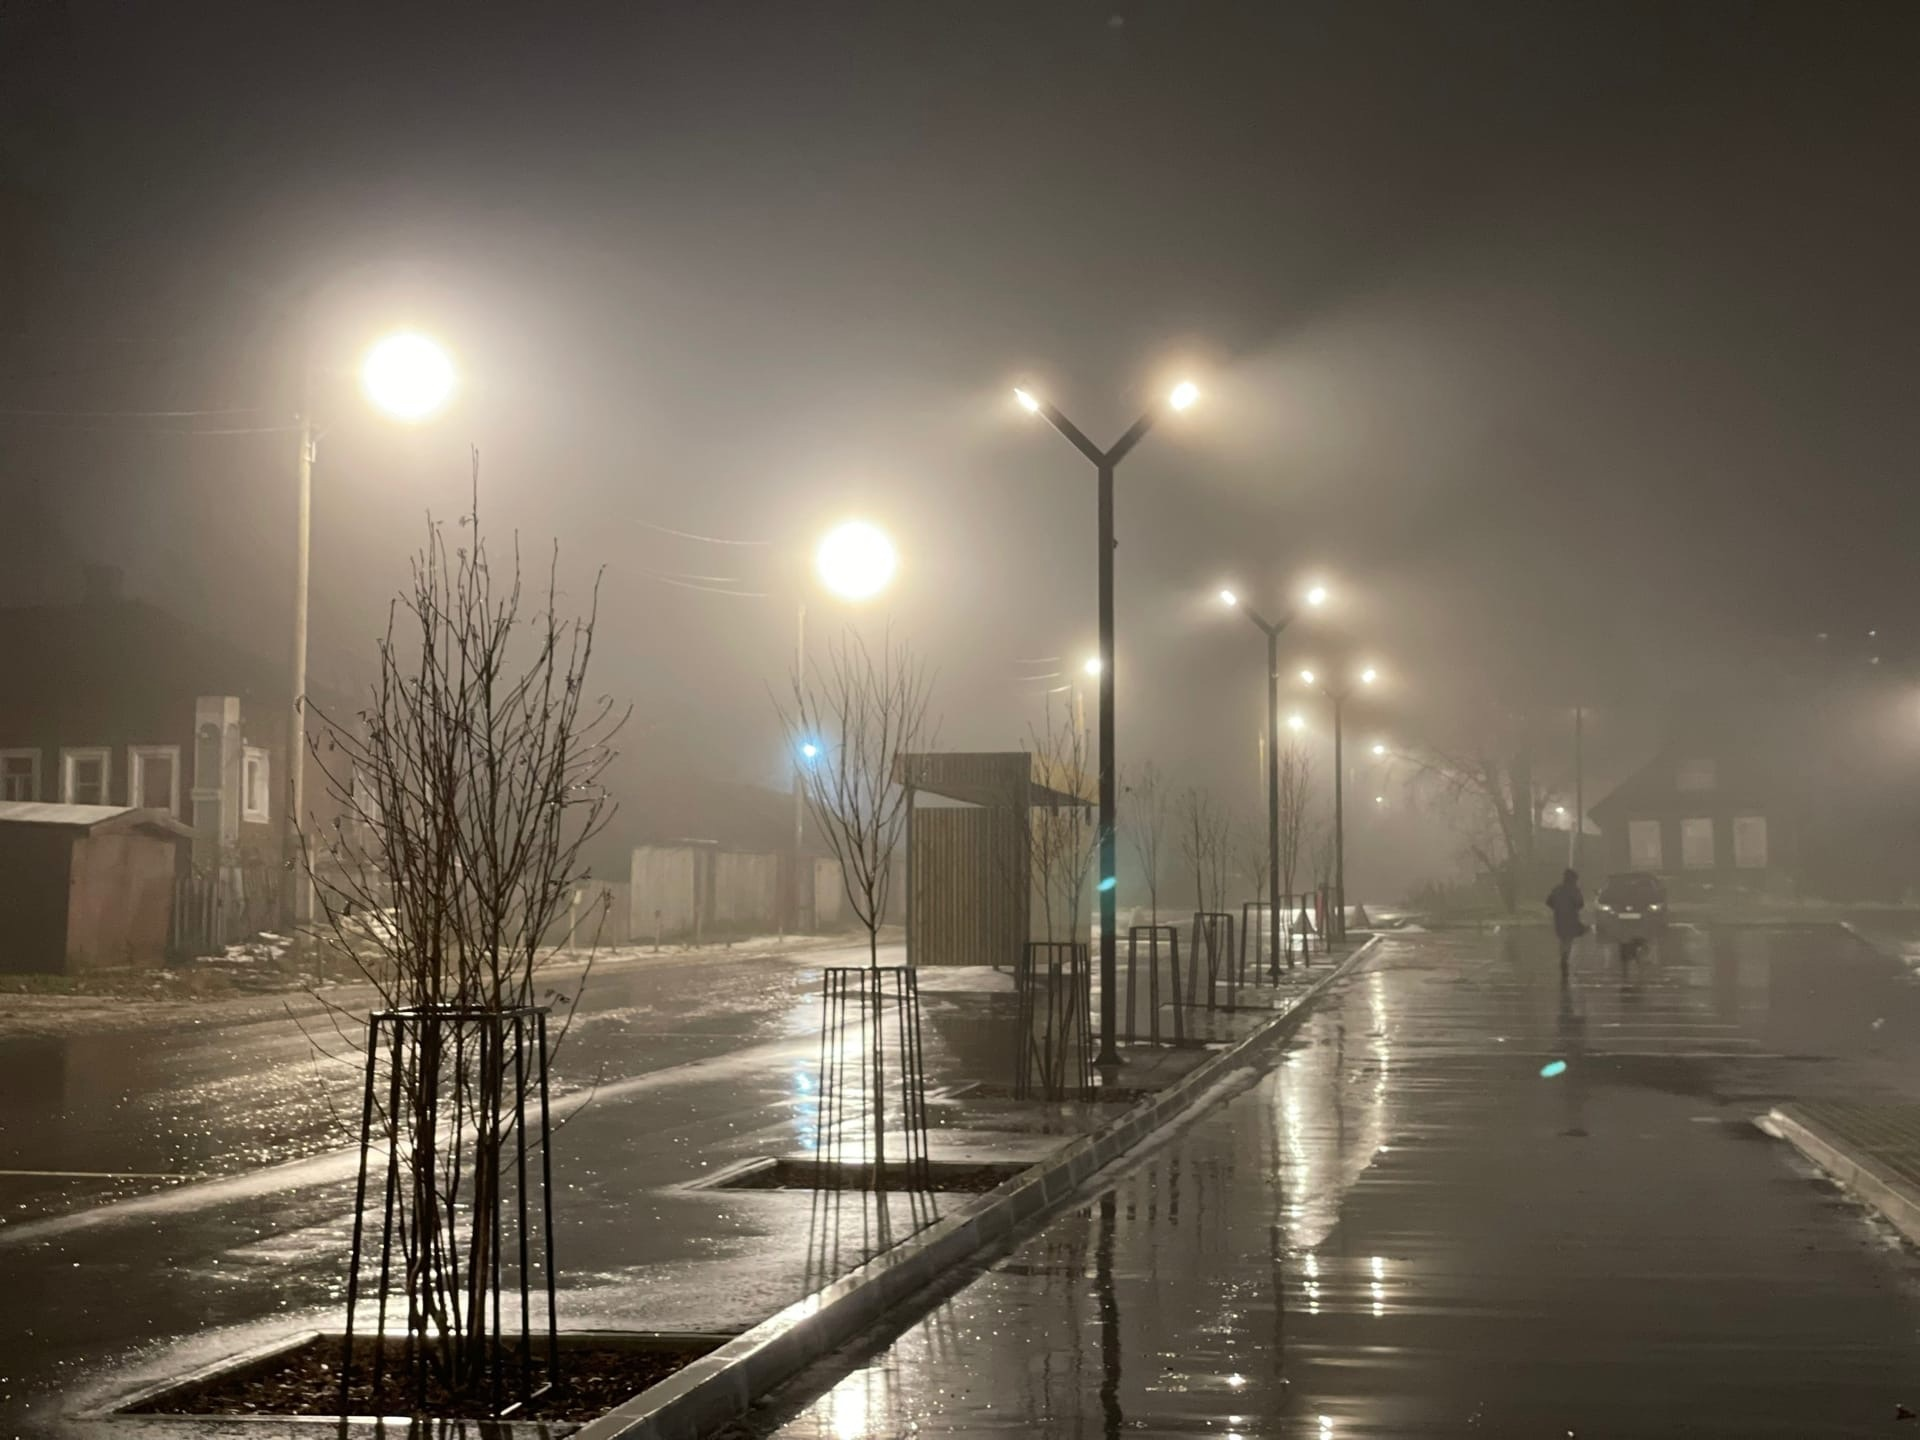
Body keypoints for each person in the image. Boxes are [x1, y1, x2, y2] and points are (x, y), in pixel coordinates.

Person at [1546, 867, 1585, 969]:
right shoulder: (1574, 890)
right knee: (1568, 939)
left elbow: (1549, 902)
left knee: (1563, 938)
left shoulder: (1557, 889)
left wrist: (1556, 907)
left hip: (1559, 917)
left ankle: (1563, 956)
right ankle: (1565, 957)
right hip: (1571, 918)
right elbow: (1580, 904)